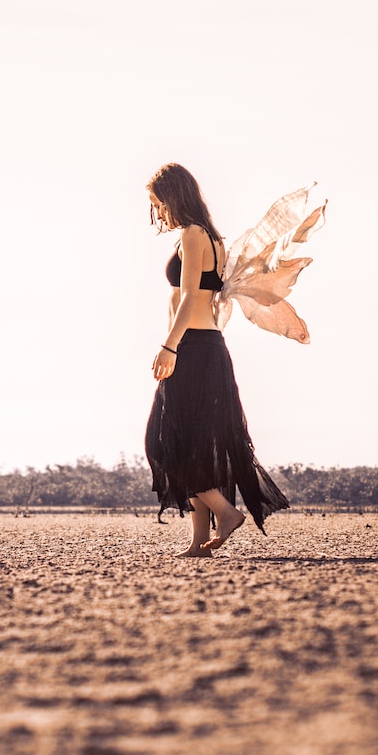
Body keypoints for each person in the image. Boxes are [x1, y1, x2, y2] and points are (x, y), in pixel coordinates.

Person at [145, 163, 291, 557]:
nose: (158, 213)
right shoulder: (211, 237)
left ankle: (226, 514)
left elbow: (192, 295)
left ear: (175, 197)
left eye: (159, 204)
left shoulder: (193, 235)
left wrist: (169, 345)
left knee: (164, 443)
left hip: (192, 347)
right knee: (193, 445)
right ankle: (197, 542)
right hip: (206, 347)